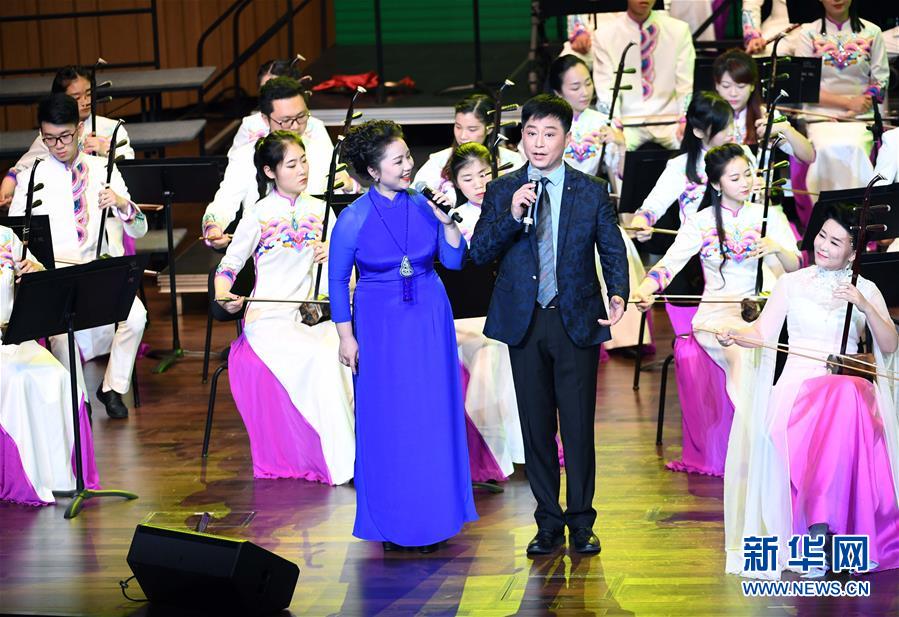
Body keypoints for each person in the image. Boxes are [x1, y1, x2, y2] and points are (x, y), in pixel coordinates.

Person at [470, 94, 629, 556]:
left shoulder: (590, 189)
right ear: (522, 136)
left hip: (575, 318)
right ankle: (547, 523)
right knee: (536, 428)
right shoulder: (503, 189)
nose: (538, 143)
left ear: (566, 138)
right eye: (531, 133)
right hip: (525, 321)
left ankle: (581, 521)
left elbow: (611, 248)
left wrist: (618, 292)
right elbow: (479, 252)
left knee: (577, 428)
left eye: (549, 133)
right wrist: (512, 214)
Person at [717, 207, 899, 578]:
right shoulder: (791, 283)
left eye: (836, 242)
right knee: (844, 399)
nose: (824, 246)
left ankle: (821, 526)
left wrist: (864, 305)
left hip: (845, 387)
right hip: (797, 389)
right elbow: (761, 333)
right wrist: (737, 335)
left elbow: (890, 345)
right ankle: (823, 528)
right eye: (821, 236)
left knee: (845, 394)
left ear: (853, 252)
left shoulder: (865, 289)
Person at [329, 120, 477, 552]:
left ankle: (435, 517)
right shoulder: (353, 219)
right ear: (373, 171)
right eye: (398, 161)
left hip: (428, 316)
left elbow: (454, 261)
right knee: (387, 419)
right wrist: (346, 337)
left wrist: (449, 224)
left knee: (431, 415)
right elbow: (337, 281)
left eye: (408, 156)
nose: (408, 165)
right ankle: (392, 520)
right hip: (378, 324)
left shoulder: (426, 204)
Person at [632, 143, 801, 476]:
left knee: (761, 344)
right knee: (741, 350)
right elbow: (669, 265)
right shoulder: (700, 222)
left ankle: (772, 441)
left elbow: (795, 268)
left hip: (761, 309)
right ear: (715, 184)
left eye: (748, 174)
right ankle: (760, 441)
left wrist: (776, 248)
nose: (746, 182)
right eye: (735, 177)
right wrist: (644, 289)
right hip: (716, 314)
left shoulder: (770, 215)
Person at [214, 131, 355, 485]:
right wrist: (223, 294)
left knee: (340, 351)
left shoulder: (321, 210)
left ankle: (350, 456)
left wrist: (334, 255)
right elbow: (229, 266)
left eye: (304, 161)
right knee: (321, 358)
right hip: (269, 320)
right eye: (291, 164)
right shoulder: (258, 214)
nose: (302, 169)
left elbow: (347, 274)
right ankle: (339, 462)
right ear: (270, 171)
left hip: (311, 316)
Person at [9, 94, 147, 420]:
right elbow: (15, 236)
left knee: (136, 316)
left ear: (80, 129)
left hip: (100, 269)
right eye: (49, 138)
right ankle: (78, 405)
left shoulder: (104, 170)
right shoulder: (31, 178)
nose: (58, 145)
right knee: (61, 337)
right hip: (58, 274)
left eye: (65, 136)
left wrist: (122, 204)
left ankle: (112, 387)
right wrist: (28, 262)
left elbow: (140, 228)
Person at [548, 55, 650, 352]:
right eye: (575, 87)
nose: (584, 92)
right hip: (555, 205)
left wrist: (619, 144)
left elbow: (620, 176)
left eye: (588, 83)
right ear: (558, 92)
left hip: (591, 203)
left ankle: (625, 336)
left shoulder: (601, 121)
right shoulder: (547, 123)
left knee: (618, 251)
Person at [0, 225, 100, 505]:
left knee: (59, 377)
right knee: (18, 380)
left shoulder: (6, 236)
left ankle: (62, 478)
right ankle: (27, 479)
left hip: (13, 337)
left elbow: (44, 279)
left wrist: (34, 271)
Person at [446, 142, 525, 482]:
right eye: (468, 178)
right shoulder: (454, 221)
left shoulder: (514, 209)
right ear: (455, 183)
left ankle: (522, 448)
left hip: (509, 310)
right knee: (486, 356)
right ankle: (486, 451)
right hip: (468, 316)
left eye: (484, 174)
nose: (479, 184)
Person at [203, 77, 338, 249]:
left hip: (317, 249)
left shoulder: (321, 149)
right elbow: (225, 200)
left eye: (301, 116)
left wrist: (349, 186)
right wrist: (213, 227)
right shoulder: (245, 156)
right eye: (286, 120)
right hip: (264, 252)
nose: (295, 126)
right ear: (265, 119)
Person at [783, 0, 888, 196]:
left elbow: (880, 81)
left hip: (860, 115)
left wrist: (862, 102)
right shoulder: (808, 33)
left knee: (855, 146)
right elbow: (805, 86)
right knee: (825, 148)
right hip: (820, 114)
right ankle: (825, 209)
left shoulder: (873, 32)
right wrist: (848, 103)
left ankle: (858, 208)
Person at [1, 65, 135, 207]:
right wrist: (7, 188)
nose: (86, 101)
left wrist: (106, 151)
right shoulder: (50, 137)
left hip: (108, 206)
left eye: (89, 94)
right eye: (77, 97)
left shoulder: (112, 128)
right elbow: (21, 169)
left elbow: (131, 171)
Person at [591, 0, 695, 150]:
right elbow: (605, 87)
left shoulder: (678, 30)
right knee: (610, 149)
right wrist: (615, 124)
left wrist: (685, 118)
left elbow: (685, 84)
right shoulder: (604, 34)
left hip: (670, 120)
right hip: (626, 122)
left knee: (695, 147)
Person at [712, 48, 815, 163]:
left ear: (752, 86)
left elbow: (809, 157)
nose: (733, 93)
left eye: (741, 86)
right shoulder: (707, 115)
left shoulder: (765, 115)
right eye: (726, 86)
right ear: (717, 85)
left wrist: (786, 129)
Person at [412, 94, 524, 197]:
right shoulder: (439, 161)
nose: (463, 136)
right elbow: (414, 195)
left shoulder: (511, 161)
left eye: (472, 129)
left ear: (490, 128)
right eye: (458, 127)